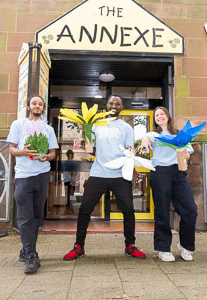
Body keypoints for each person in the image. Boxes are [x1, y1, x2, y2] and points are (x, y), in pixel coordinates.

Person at [63, 95, 146, 260]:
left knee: (128, 210)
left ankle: (130, 246)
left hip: (120, 175)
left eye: (117, 103)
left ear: (121, 106)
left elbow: (129, 152)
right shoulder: (95, 125)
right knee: (85, 209)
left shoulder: (126, 128)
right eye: (111, 103)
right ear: (106, 105)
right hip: (98, 173)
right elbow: (91, 149)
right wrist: (86, 135)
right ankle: (79, 247)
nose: (114, 105)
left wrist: (133, 169)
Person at [6, 95, 58, 274]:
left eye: (40, 104)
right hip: (23, 176)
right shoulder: (17, 125)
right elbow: (12, 149)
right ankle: (31, 255)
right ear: (28, 106)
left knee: (37, 216)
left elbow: (53, 153)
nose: (37, 106)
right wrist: (22, 151)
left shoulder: (48, 129)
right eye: (34, 103)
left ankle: (25, 248)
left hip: (42, 175)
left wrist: (47, 157)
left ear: (43, 108)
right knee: (25, 216)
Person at [140, 106, 197, 262]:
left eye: (162, 114)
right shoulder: (154, 134)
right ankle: (163, 248)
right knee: (162, 211)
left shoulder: (180, 134)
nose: (159, 117)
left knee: (190, 209)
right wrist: (145, 143)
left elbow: (187, 155)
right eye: (156, 115)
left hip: (178, 173)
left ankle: (186, 246)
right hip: (160, 173)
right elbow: (147, 139)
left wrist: (186, 155)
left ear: (168, 116)